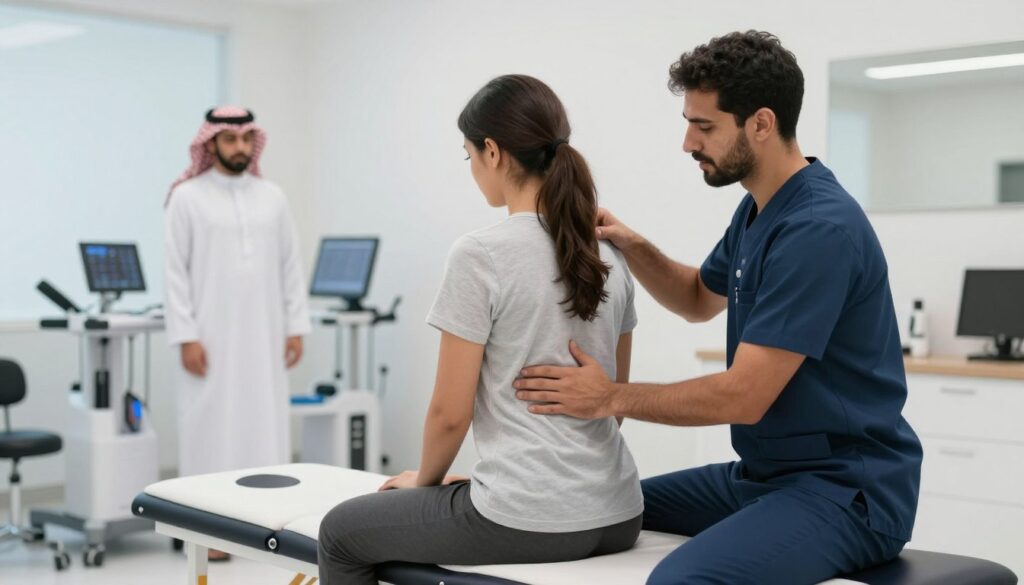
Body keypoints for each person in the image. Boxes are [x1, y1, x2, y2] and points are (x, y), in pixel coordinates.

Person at [514, 31, 923, 585]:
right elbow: (695, 299)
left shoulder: (817, 228)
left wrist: (609, 398)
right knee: (602, 511)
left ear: (760, 123)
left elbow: (745, 396)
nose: (687, 142)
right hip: (763, 477)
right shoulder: (758, 211)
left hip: (847, 490)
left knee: (680, 581)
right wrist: (629, 243)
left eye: (704, 126)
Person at [317, 75, 643, 584]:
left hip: (530, 518)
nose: (471, 167)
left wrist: (423, 484)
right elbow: (612, 405)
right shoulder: (610, 254)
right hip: (620, 512)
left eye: (468, 154)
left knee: (340, 531)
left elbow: (451, 414)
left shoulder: (481, 254)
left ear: (492, 152)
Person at [164, 106, 311, 559]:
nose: (240, 147)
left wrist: (295, 326)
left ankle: (263, 526)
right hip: (209, 339)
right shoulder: (187, 197)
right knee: (210, 430)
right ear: (210, 144)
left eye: (247, 138)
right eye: (230, 139)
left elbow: (290, 264)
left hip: (264, 336)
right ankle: (208, 532)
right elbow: (175, 272)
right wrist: (186, 335)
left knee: (262, 426)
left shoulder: (272, 196)